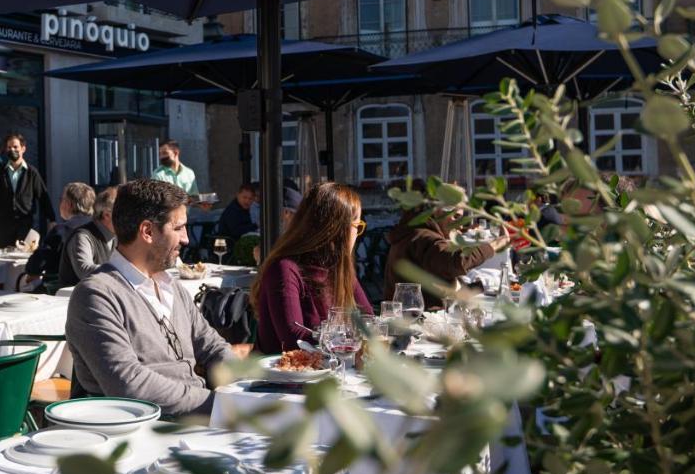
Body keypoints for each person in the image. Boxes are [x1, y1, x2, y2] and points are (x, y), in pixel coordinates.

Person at [66, 179, 233, 417]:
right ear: (147, 231)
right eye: (178, 228)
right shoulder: (96, 295)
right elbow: (129, 385)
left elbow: (214, 347)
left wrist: (242, 388)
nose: (186, 239)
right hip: (143, 434)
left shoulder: (171, 286)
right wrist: (218, 405)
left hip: (198, 420)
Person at [251, 182, 374, 354]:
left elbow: (367, 318)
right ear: (337, 230)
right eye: (357, 226)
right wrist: (347, 337)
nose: (357, 233)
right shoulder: (285, 269)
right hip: (281, 376)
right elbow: (294, 337)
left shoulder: (339, 269)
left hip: (330, 369)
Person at [382, 196, 511, 306]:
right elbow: (457, 262)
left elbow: (444, 288)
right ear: (437, 211)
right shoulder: (423, 237)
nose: (460, 225)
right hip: (414, 323)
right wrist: (495, 244)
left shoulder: (417, 232)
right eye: (456, 217)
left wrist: (481, 286)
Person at [21, 181, 94, 288]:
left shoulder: (61, 231)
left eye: (61, 200)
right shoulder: (98, 228)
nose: (59, 204)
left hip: (60, 291)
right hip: (93, 287)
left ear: (69, 205)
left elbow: (35, 265)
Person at [0, 133, 54, 247]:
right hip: (3, 226)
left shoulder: (32, 173)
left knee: (23, 259)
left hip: (25, 225)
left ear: (23, 149)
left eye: (15, 147)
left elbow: (43, 197)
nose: (12, 150)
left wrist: (52, 219)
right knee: (3, 259)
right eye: (9, 147)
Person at [59, 186, 117, 287]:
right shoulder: (82, 236)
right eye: (123, 214)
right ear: (107, 215)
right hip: (74, 299)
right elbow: (84, 270)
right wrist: (123, 271)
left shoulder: (116, 237)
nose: (128, 218)